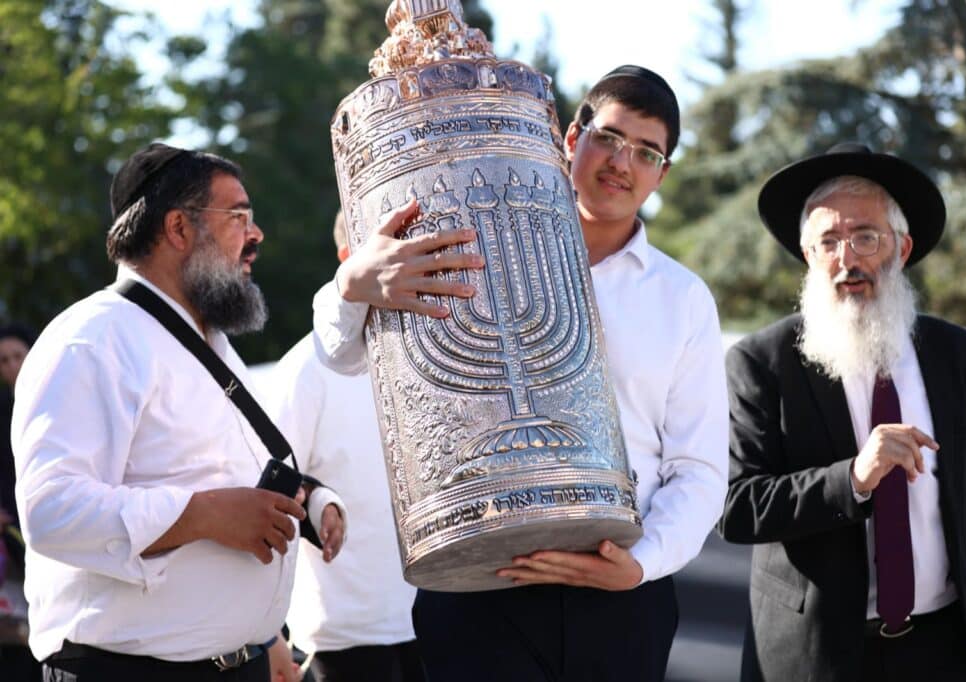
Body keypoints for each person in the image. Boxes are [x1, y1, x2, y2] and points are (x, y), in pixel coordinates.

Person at [311, 65, 728, 681]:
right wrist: (350, 285)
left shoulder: (681, 297)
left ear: (661, 173)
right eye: (609, 138)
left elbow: (698, 468)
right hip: (479, 579)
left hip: (619, 588)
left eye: (646, 152)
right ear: (571, 138)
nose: (622, 162)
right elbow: (341, 353)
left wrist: (641, 563)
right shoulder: (472, 238)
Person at [11, 143, 344, 682]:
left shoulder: (210, 342)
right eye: (238, 216)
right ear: (178, 229)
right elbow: (53, 511)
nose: (256, 235)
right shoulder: (92, 339)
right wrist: (204, 515)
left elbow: (217, 474)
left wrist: (265, 636)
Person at [718, 142, 966, 682]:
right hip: (818, 656)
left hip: (944, 649)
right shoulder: (761, 362)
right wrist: (854, 478)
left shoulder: (956, 353)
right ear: (808, 255)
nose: (847, 259)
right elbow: (739, 508)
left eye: (864, 237)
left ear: (901, 248)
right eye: (828, 242)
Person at [264, 212, 424, 682]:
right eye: (387, 246)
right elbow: (267, 491)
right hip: (343, 641)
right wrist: (270, 636)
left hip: (442, 622)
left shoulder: (445, 358)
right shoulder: (305, 370)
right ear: (347, 259)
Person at [0, 323, 40, 681]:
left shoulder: (57, 399)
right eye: (3, 361)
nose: (12, 366)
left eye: (17, 356)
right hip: (13, 544)